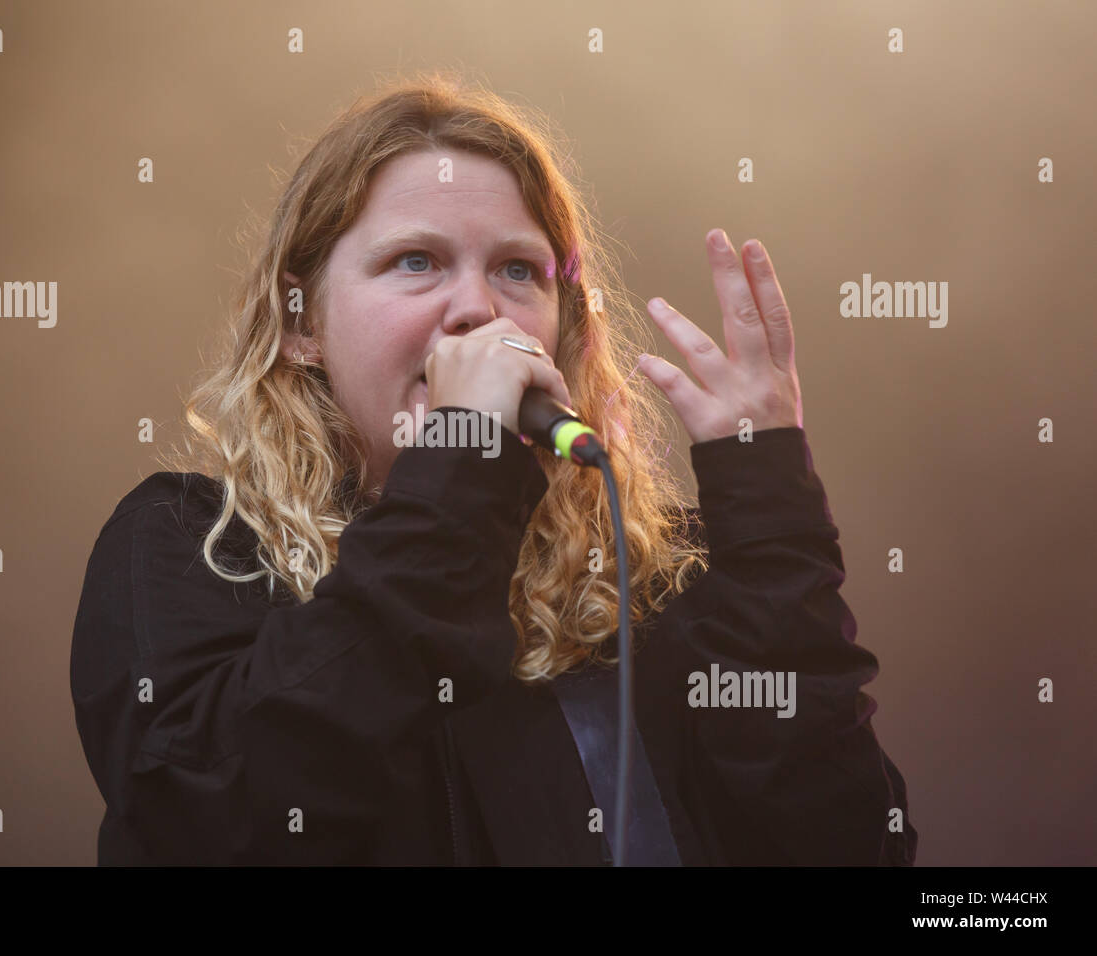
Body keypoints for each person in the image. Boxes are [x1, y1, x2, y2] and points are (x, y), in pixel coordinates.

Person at [69, 72, 917, 866]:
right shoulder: (193, 546)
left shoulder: (653, 578)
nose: (479, 308)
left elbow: (845, 846)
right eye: (416, 261)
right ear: (303, 323)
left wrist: (770, 522)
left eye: (518, 270)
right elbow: (197, 820)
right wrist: (463, 456)